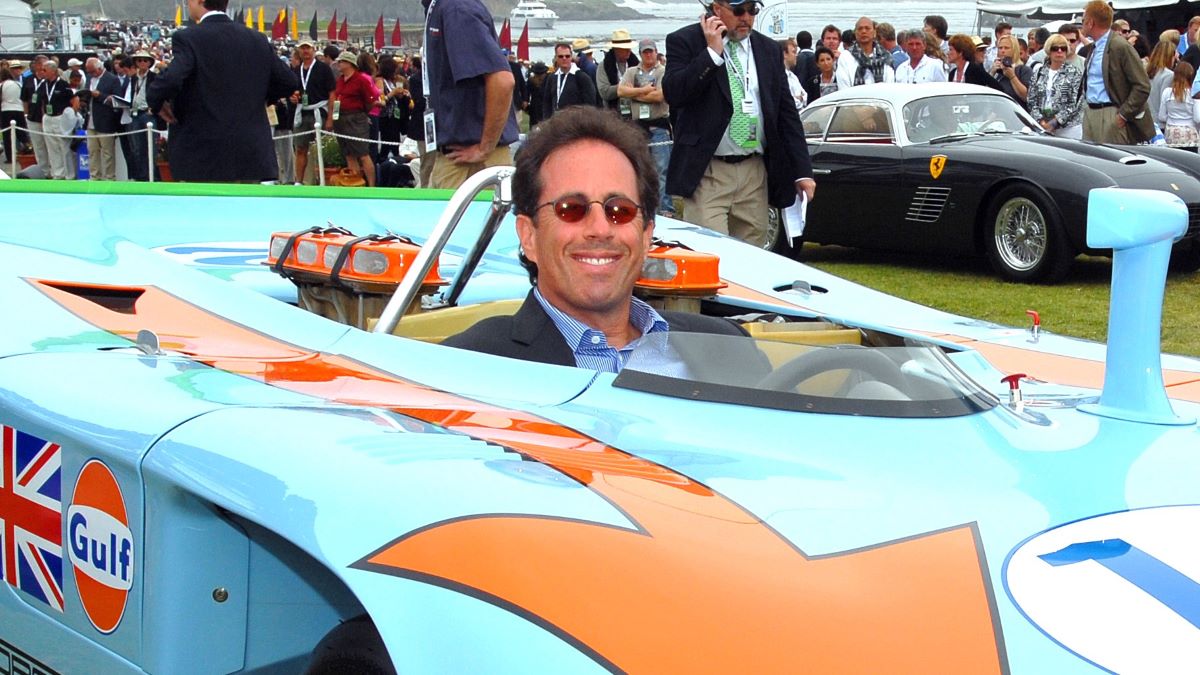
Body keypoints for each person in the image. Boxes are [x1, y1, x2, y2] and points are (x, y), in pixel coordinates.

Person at [442, 106, 747, 371]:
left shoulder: (728, 347)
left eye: (620, 210)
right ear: (529, 235)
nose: (600, 228)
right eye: (571, 209)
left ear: (645, 236)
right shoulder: (467, 366)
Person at [663, 0, 815, 248]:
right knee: (708, 253)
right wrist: (711, 54)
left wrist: (802, 171)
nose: (746, 17)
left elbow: (786, 113)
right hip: (709, 170)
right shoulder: (686, 41)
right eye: (738, 10)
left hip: (754, 171)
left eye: (752, 10)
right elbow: (675, 94)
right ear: (717, 9)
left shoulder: (768, 50)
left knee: (753, 255)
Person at [147, 0, 295, 183]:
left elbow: (171, 78)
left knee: (204, 210)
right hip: (250, 150)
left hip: (202, 151)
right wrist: (260, 99)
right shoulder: (256, 38)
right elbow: (288, 81)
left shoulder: (188, 38)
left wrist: (157, 102)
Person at [422, 0, 518, 190]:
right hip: (460, 157)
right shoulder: (444, 7)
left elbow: (503, 81)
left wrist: (484, 148)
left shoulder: (457, 10)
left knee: (468, 220)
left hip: (470, 163)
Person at [1080, 0, 1153, 144]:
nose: (1081, 24)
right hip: (1091, 111)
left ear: (1090, 22)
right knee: (1091, 162)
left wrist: (1123, 115)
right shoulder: (1095, 47)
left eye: (1083, 20)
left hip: (1110, 113)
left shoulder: (1120, 46)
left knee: (1109, 164)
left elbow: (1142, 85)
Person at [618, 38, 674, 217]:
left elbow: (660, 96)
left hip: (659, 125)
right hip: (637, 126)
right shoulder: (631, 71)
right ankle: (644, 207)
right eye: (645, 52)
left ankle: (665, 208)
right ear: (641, 54)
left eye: (651, 51)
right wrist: (643, 91)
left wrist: (633, 93)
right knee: (639, 168)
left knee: (661, 169)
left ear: (657, 52)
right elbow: (620, 92)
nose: (649, 55)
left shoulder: (663, 71)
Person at [327, 52, 381, 187]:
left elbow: (370, 99)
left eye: (341, 62)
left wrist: (363, 112)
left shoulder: (361, 79)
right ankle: (355, 182)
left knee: (362, 153)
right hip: (341, 117)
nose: (338, 64)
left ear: (349, 63)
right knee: (349, 154)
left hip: (356, 117)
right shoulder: (340, 80)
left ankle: (372, 185)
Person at [291, 38, 336, 186]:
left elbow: (332, 93)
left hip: (319, 111)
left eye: (308, 48)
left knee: (320, 149)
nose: (305, 51)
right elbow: (293, 90)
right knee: (300, 147)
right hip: (302, 112)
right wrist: (293, 96)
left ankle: (320, 179)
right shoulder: (296, 70)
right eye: (302, 48)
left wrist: (330, 117)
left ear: (313, 50)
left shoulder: (323, 68)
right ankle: (299, 181)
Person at [1027, 34, 1083, 139]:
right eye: (1055, 48)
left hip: (1069, 129)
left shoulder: (1075, 73)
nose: (1059, 51)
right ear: (1049, 50)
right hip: (1042, 128)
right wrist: (1041, 121)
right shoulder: (1039, 72)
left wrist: (1055, 122)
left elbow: (1075, 103)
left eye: (1063, 48)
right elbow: (1031, 100)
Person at [79, 57, 122, 181]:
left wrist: (100, 96)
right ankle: (94, 176)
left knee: (107, 152)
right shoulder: (88, 78)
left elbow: (117, 100)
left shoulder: (112, 79)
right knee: (92, 151)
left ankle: (109, 177)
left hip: (105, 120)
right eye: (89, 72)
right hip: (90, 118)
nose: (90, 74)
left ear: (99, 68)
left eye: (92, 71)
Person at [37, 61, 75, 180]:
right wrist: (44, 115)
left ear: (53, 71)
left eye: (44, 70)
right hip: (48, 117)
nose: (42, 72)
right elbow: (42, 101)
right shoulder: (43, 84)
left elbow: (74, 99)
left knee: (64, 146)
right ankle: (58, 174)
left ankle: (69, 174)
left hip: (60, 117)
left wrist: (71, 116)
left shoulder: (63, 84)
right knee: (51, 147)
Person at [125, 51, 159, 182]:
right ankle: (142, 176)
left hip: (147, 113)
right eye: (139, 61)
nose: (142, 63)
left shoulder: (154, 77)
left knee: (151, 148)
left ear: (149, 63)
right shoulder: (133, 78)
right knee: (137, 147)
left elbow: (160, 93)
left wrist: (154, 108)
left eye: (145, 60)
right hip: (135, 113)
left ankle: (153, 176)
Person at [836, 17, 896, 89]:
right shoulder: (846, 57)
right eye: (860, 29)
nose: (864, 31)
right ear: (855, 33)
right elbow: (843, 87)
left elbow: (889, 86)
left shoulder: (885, 56)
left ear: (874, 32)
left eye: (867, 28)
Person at [543, 42, 598, 118]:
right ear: (556, 58)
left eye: (567, 56)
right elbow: (547, 103)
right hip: (555, 123)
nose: (564, 58)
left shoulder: (582, 77)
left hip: (575, 123)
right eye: (561, 56)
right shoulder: (552, 77)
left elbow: (590, 104)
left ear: (571, 57)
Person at [597, 29, 639, 119]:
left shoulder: (636, 64)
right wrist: (624, 88)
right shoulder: (604, 66)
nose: (629, 51)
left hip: (635, 114)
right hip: (612, 115)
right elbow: (604, 92)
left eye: (629, 48)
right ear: (616, 49)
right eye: (625, 48)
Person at [1159, 61, 1199, 147]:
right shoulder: (1193, 94)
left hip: (1171, 134)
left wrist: (1172, 119)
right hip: (1190, 134)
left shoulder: (1167, 92)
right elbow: (1197, 118)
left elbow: (1161, 116)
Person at [990, 34, 1031, 104]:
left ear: (1014, 50)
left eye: (1006, 48)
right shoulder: (997, 70)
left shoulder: (1024, 70)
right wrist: (991, 73)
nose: (1003, 51)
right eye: (1000, 48)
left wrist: (1012, 77)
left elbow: (1027, 97)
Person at [1146, 39, 1176, 132]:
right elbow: (1165, 103)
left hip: (1147, 122)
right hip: (1161, 125)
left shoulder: (1146, 72)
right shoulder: (1169, 75)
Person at [0, 62, 26, 163]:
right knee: (22, 134)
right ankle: (28, 151)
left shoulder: (2, 85)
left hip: (6, 110)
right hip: (19, 110)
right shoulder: (18, 84)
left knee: (7, 136)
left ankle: (10, 158)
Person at [781, 38, 808, 108]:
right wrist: (799, 98)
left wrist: (800, 98)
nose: (796, 55)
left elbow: (805, 96)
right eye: (793, 52)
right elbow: (788, 102)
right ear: (784, 54)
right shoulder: (778, 77)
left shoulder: (793, 77)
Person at [526, 61, 550, 128]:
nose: (540, 76)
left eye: (541, 74)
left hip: (546, 106)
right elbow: (527, 93)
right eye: (538, 74)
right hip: (534, 107)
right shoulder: (531, 80)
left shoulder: (549, 79)